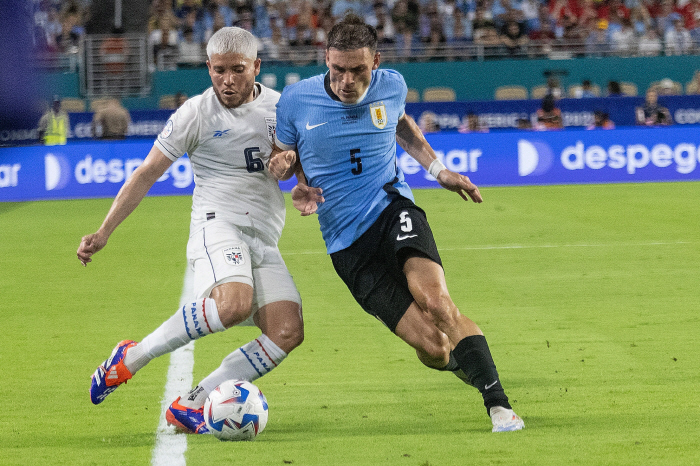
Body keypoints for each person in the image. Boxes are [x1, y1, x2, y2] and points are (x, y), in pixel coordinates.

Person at [268, 14, 524, 433]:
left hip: (392, 208)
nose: (347, 80)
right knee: (434, 348)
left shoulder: (392, 85)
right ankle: (466, 363)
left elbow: (402, 125)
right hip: (345, 244)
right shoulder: (296, 100)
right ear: (325, 60)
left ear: (376, 62)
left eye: (358, 70)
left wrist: (439, 170)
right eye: (338, 70)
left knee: (438, 303)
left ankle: (499, 406)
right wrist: (290, 176)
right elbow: (282, 158)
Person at [77, 27, 304, 435]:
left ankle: (192, 404)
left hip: (263, 237)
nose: (228, 80)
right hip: (217, 225)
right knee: (233, 304)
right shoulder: (195, 114)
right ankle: (132, 357)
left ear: (257, 66)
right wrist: (104, 231)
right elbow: (146, 174)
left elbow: (299, 165)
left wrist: (293, 172)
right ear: (208, 68)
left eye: (238, 70)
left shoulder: (282, 108)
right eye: (219, 71)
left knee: (287, 331)